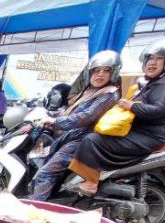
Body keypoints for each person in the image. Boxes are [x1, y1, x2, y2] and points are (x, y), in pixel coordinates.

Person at [69, 37, 165, 195]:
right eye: (150, 58)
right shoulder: (160, 81)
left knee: (92, 140)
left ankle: (92, 182)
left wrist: (131, 106)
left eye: (159, 58)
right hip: (143, 132)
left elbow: (157, 110)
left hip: (149, 136)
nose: (152, 63)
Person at [28, 51, 121, 200]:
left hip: (82, 140)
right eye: (96, 71)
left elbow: (85, 117)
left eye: (106, 71)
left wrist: (55, 122)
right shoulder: (91, 91)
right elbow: (72, 113)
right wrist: (49, 116)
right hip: (73, 136)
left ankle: (35, 209)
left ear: (113, 73)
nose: (100, 74)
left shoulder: (108, 94)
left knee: (46, 173)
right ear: (89, 73)